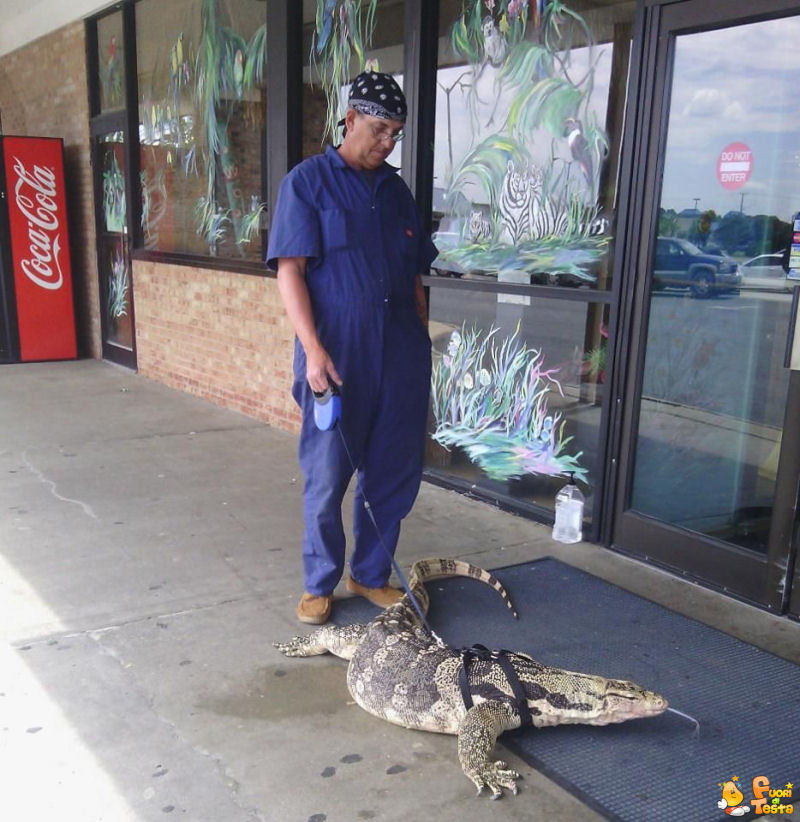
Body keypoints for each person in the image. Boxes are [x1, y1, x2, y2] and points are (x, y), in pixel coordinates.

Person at [266, 71, 437, 625]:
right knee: (327, 475)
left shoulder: (396, 194)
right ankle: (319, 583)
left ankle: (369, 574)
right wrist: (313, 350)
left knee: (391, 472)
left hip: (400, 356)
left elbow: (414, 276)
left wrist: (420, 340)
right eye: (379, 129)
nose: (387, 143)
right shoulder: (308, 183)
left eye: (396, 134)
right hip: (337, 357)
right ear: (350, 119)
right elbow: (290, 271)